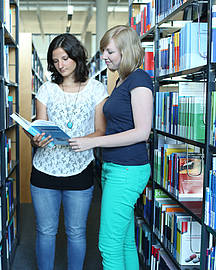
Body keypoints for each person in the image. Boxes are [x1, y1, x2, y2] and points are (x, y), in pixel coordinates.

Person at [69, 25, 153, 270]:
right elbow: (117, 126)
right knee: (125, 242)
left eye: (110, 51)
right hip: (114, 167)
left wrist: (93, 142)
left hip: (127, 170)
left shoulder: (139, 80)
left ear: (126, 51)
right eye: (103, 51)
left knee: (108, 245)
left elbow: (141, 132)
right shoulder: (122, 80)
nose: (104, 56)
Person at [27, 33, 108, 270]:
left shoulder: (96, 89)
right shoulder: (46, 89)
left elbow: (101, 131)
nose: (60, 65)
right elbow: (39, 127)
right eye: (55, 60)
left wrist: (83, 140)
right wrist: (36, 140)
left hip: (80, 169)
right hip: (44, 170)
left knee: (76, 231)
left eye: (65, 58)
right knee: (45, 230)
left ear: (77, 56)